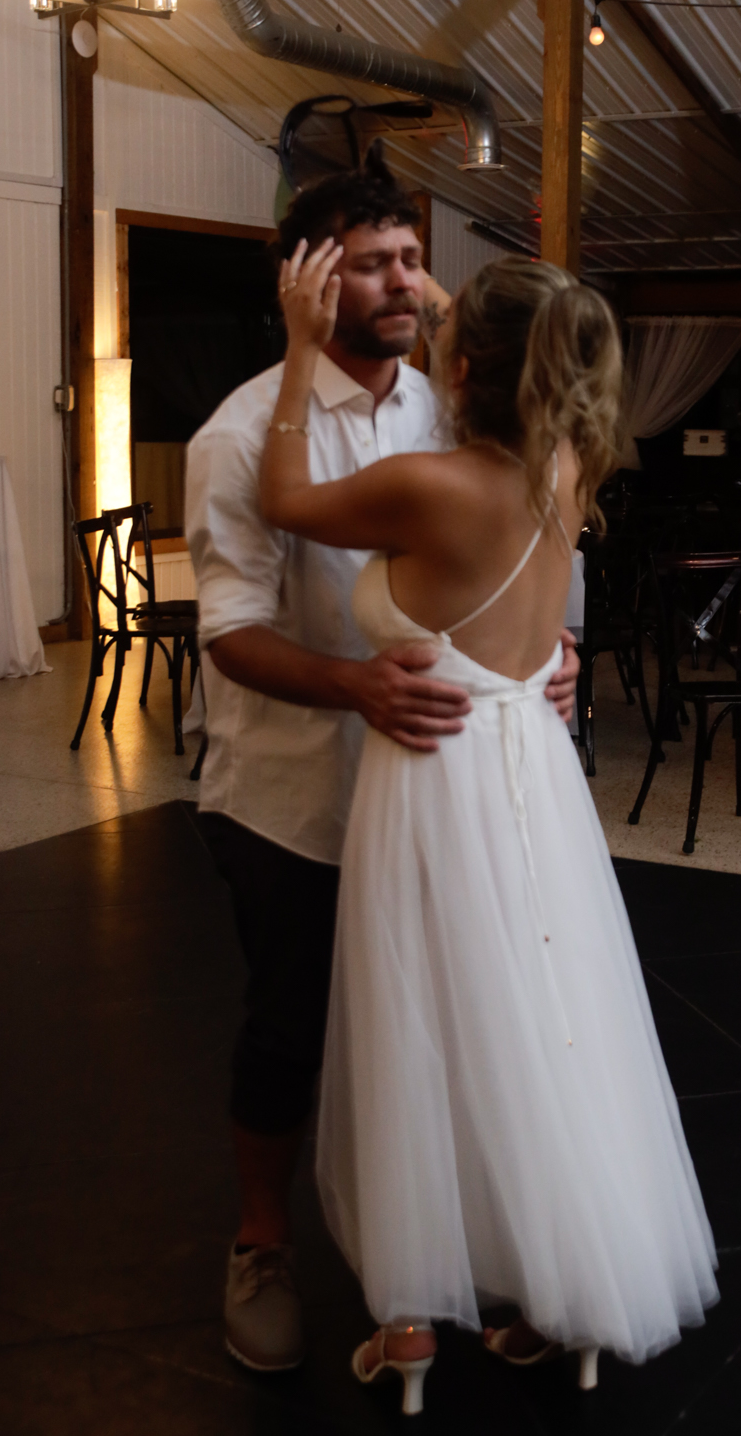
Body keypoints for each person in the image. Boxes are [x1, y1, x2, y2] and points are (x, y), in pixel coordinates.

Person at [258, 240, 718, 1414]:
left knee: (419, 1016)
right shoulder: (566, 465)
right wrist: (467, 308)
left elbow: (283, 501)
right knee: (546, 1016)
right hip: (536, 777)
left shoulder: (425, 485)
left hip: (431, 776)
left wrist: (303, 346)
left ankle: (410, 1316)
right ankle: (567, 1303)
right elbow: (530, 341)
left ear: (462, 369)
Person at [186, 154, 580, 1373]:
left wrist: (551, 650)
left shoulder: (455, 406)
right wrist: (354, 683)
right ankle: (263, 1242)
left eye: (413, 256)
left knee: (454, 1028)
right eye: (373, 263)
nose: (407, 279)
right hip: (297, 792)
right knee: (291, 1027)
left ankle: (449, 1255)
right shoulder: (241, 433)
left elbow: (513, 536)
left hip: (445, 792)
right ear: (307, 282)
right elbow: (230, 631)